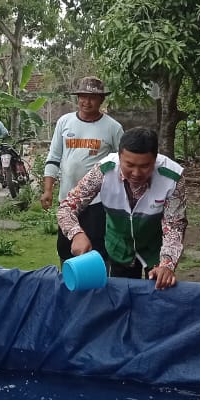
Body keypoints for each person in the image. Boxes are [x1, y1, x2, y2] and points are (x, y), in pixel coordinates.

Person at [56, 127, 187, 290]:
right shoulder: (103, 171)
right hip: (119, 247)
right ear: (119, 157)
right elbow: (67, 206)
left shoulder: (172, 177)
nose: (136, 173)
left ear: (155, 159)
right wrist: (76, 234)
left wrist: (167, 264)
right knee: (121, 296)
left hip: (156, 249)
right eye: (129, 165)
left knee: (158, 296)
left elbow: (175, 226)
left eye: (145, 166)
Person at [41, 76, 124, 263]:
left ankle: (97, 288)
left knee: (96, 248)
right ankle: (69, 285)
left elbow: (124, 163)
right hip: (67, 199)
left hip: (98, 201)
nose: (87, 102)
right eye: (83, 97)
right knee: (65, 247)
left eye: (93, 97)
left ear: (102, 100)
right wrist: (48, 190)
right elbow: (53, 157)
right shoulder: (64, 122)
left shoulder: (113, 128)